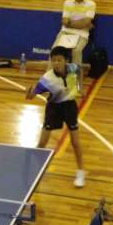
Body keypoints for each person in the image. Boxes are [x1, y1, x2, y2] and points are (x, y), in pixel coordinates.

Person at [26, 46, 86, 188]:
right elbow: (31, 96)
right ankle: (37, 171)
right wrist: (28, 93)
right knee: (42, 143)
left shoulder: (73, 68)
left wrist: (80, 88)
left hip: (70, 107)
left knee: (75, 142)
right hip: (53, 108)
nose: (56, 63)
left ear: (66, 60)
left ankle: (80, 172)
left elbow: (80, 71)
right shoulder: (47, 78)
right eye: (53, 60)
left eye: (59, 60)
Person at [51, 0, 96, 86]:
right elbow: (64, 21)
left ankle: (75, 83)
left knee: (76, 51)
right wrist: (81, 22)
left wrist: (70, 22)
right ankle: (50, 80)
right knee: (54, 50)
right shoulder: (67, 2)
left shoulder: (91, 4)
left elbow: (86, 22)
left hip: (82, 34)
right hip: (65, 32)